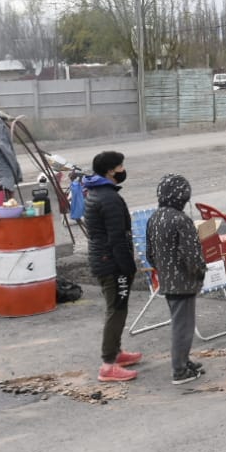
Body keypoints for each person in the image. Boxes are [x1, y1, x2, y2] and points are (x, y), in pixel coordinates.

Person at [82, 150, 142, 383]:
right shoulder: (109, 198)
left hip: (104, 259)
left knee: (118, 307)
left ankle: (117, 353)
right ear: (110, 170)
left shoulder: (97, 192)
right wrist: (128, 266)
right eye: (120, 166)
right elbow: (117, 238)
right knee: (116, 309)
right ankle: (108, 364)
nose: (123, 170)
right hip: (112, 263)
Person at [145, 174, 209, 386]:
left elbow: (150, 254)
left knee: (179, 324)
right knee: (183, 327)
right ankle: (179, 371)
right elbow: (192, 256)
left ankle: (184, 361)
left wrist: (164, 271)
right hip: (184, 283)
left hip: (167, 281)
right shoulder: (182, 220)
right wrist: (200, 272)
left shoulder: (154, 218)